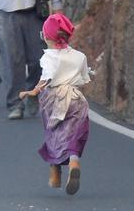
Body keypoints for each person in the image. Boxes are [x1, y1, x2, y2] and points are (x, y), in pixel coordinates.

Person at [19, 13, 90, 195]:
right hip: (75, 98)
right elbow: (83, 79)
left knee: (54, 134)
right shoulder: (79, 56)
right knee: (75, 133)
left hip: (55, 99)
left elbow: (46, 77)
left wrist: (33, 91)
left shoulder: (49, 57)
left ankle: (55, 174)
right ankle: (74, 161)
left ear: (46, 36)